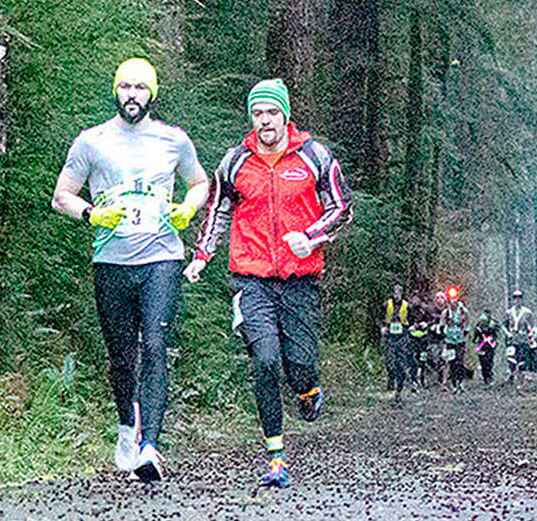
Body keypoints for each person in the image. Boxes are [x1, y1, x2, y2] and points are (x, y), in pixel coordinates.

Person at [186, 78, 352, 488]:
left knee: (300, 365)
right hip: (251, 278)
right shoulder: (235, 162)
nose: (264, 122)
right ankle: (275, 456)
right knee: (264, 360)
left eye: (272, 113)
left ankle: (308, 390)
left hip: (301, 279)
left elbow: (342, 207)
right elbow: (217, 211)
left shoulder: (315, 156)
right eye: (257, 114)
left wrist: (310, 237)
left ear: (286, 115)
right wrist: (202, 256)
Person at [51, 58, 209, 483]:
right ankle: (127, 424)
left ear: (152, 93)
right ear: (115, 91)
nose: (132, 95)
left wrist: (188, 209)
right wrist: (91, 215)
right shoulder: (92, 142)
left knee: (155, 345)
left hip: (161, 257)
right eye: (125, 86)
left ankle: (150, 446)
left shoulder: (173, 140)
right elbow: (61, 195)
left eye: (141, 87)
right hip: (111, 262)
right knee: (122, 356)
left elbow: (200, 181)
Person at [382, 284, 410, 399]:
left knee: (401, 363)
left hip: (402, 336)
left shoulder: (407, 305)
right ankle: (391, 378)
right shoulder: (386, 304)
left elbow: (413, 318)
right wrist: (382, 327)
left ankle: (399, 388)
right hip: (390, 336)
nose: (397, 295)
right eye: (395, 292)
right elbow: (378, 316)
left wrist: (413, 326)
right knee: (389, 361)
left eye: (399, 292)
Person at [504, 289, 536, 385]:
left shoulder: (528, 313)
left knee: (522, 359)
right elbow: (504, 326)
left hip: (523, 339)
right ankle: (512, 374)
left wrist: (531, 334)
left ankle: (521, 379)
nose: (517, 300)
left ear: (522, 300)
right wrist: (508, 333)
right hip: (512, 339)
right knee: (511, 358)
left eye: (519, 298)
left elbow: (533, 326)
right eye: (515, 298)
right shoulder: (508, 312)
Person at [440, 292, 470, 391]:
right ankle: (453, 384)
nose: (453, 301)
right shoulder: (445, 312)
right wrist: (445, 333)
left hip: (460, 340)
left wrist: (464, 333)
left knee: (460, 361)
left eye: (455, 298)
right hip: (449, 340)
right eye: (451, 299)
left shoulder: (463, 311)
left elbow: (467, 324)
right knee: (451, 362)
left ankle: (460, 382)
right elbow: (442, 325)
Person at [474, 309, 499, 385]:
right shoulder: (479, 323)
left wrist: (493, 339)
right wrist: (475, 340)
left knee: (489, 361)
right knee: (482, 362)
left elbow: (496, 332)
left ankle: (489, 376)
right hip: (482, 345)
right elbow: (476, 333)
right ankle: (485, 376)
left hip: (490, 345)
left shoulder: (493, 323)